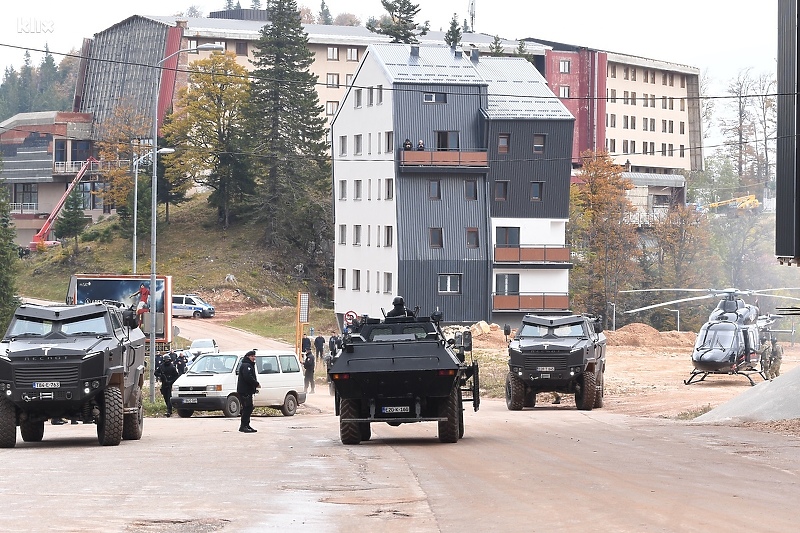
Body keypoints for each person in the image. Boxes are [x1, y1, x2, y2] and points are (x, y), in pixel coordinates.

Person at [237, 350, 260, 433]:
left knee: (249, 407)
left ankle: (246, 425)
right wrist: (255, 383)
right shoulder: (246, 365)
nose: (254, 358)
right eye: (252, 356)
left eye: (254, 356)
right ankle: (243, 426)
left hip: (247, 391)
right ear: (248, 357)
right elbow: (248, 377)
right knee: (247, 407)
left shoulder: (249, 365)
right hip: (245, 391)